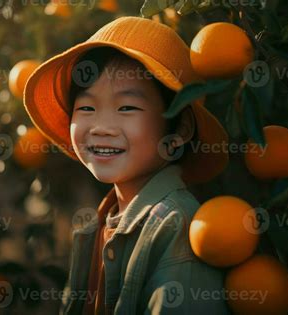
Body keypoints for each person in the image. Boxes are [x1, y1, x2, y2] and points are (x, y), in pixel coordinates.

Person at [24, 16, 230, 315]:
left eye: (127, 107)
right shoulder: (102, 222)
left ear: (179, 130)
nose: (101, 127)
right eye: (86, 108)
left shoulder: (176, 228)